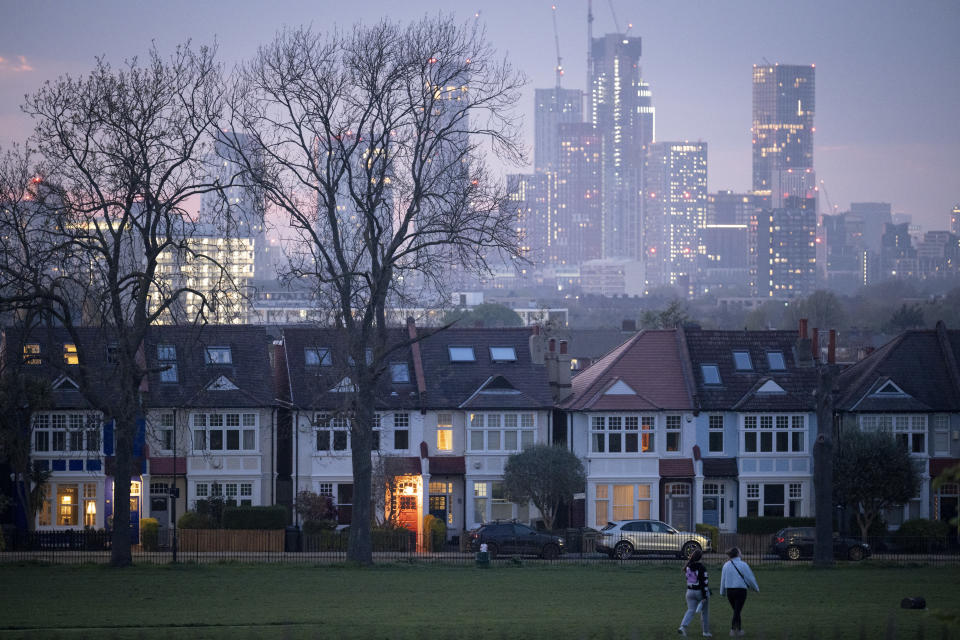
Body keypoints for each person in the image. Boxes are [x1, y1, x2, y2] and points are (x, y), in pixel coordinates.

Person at [719, 547, 759, 637]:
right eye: (740, 551)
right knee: (737, 611)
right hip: (741, 591)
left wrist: (722, 591)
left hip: (730, 591)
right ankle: (733, 630)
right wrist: (756, 588)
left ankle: (739, 630)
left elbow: (723, 579)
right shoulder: (743, 565)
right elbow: (750, 578)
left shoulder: (726, 565)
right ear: (737, 554)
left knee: (736, 611)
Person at [677, 548, 712, 637]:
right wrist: (704, 596)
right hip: (699, 592)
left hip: (689, 592)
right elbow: (704, 582)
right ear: (701, 557)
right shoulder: (702, 567)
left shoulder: (688, 566)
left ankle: (682, 627)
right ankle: (705, 632)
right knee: (704, 612)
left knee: (690, 610)